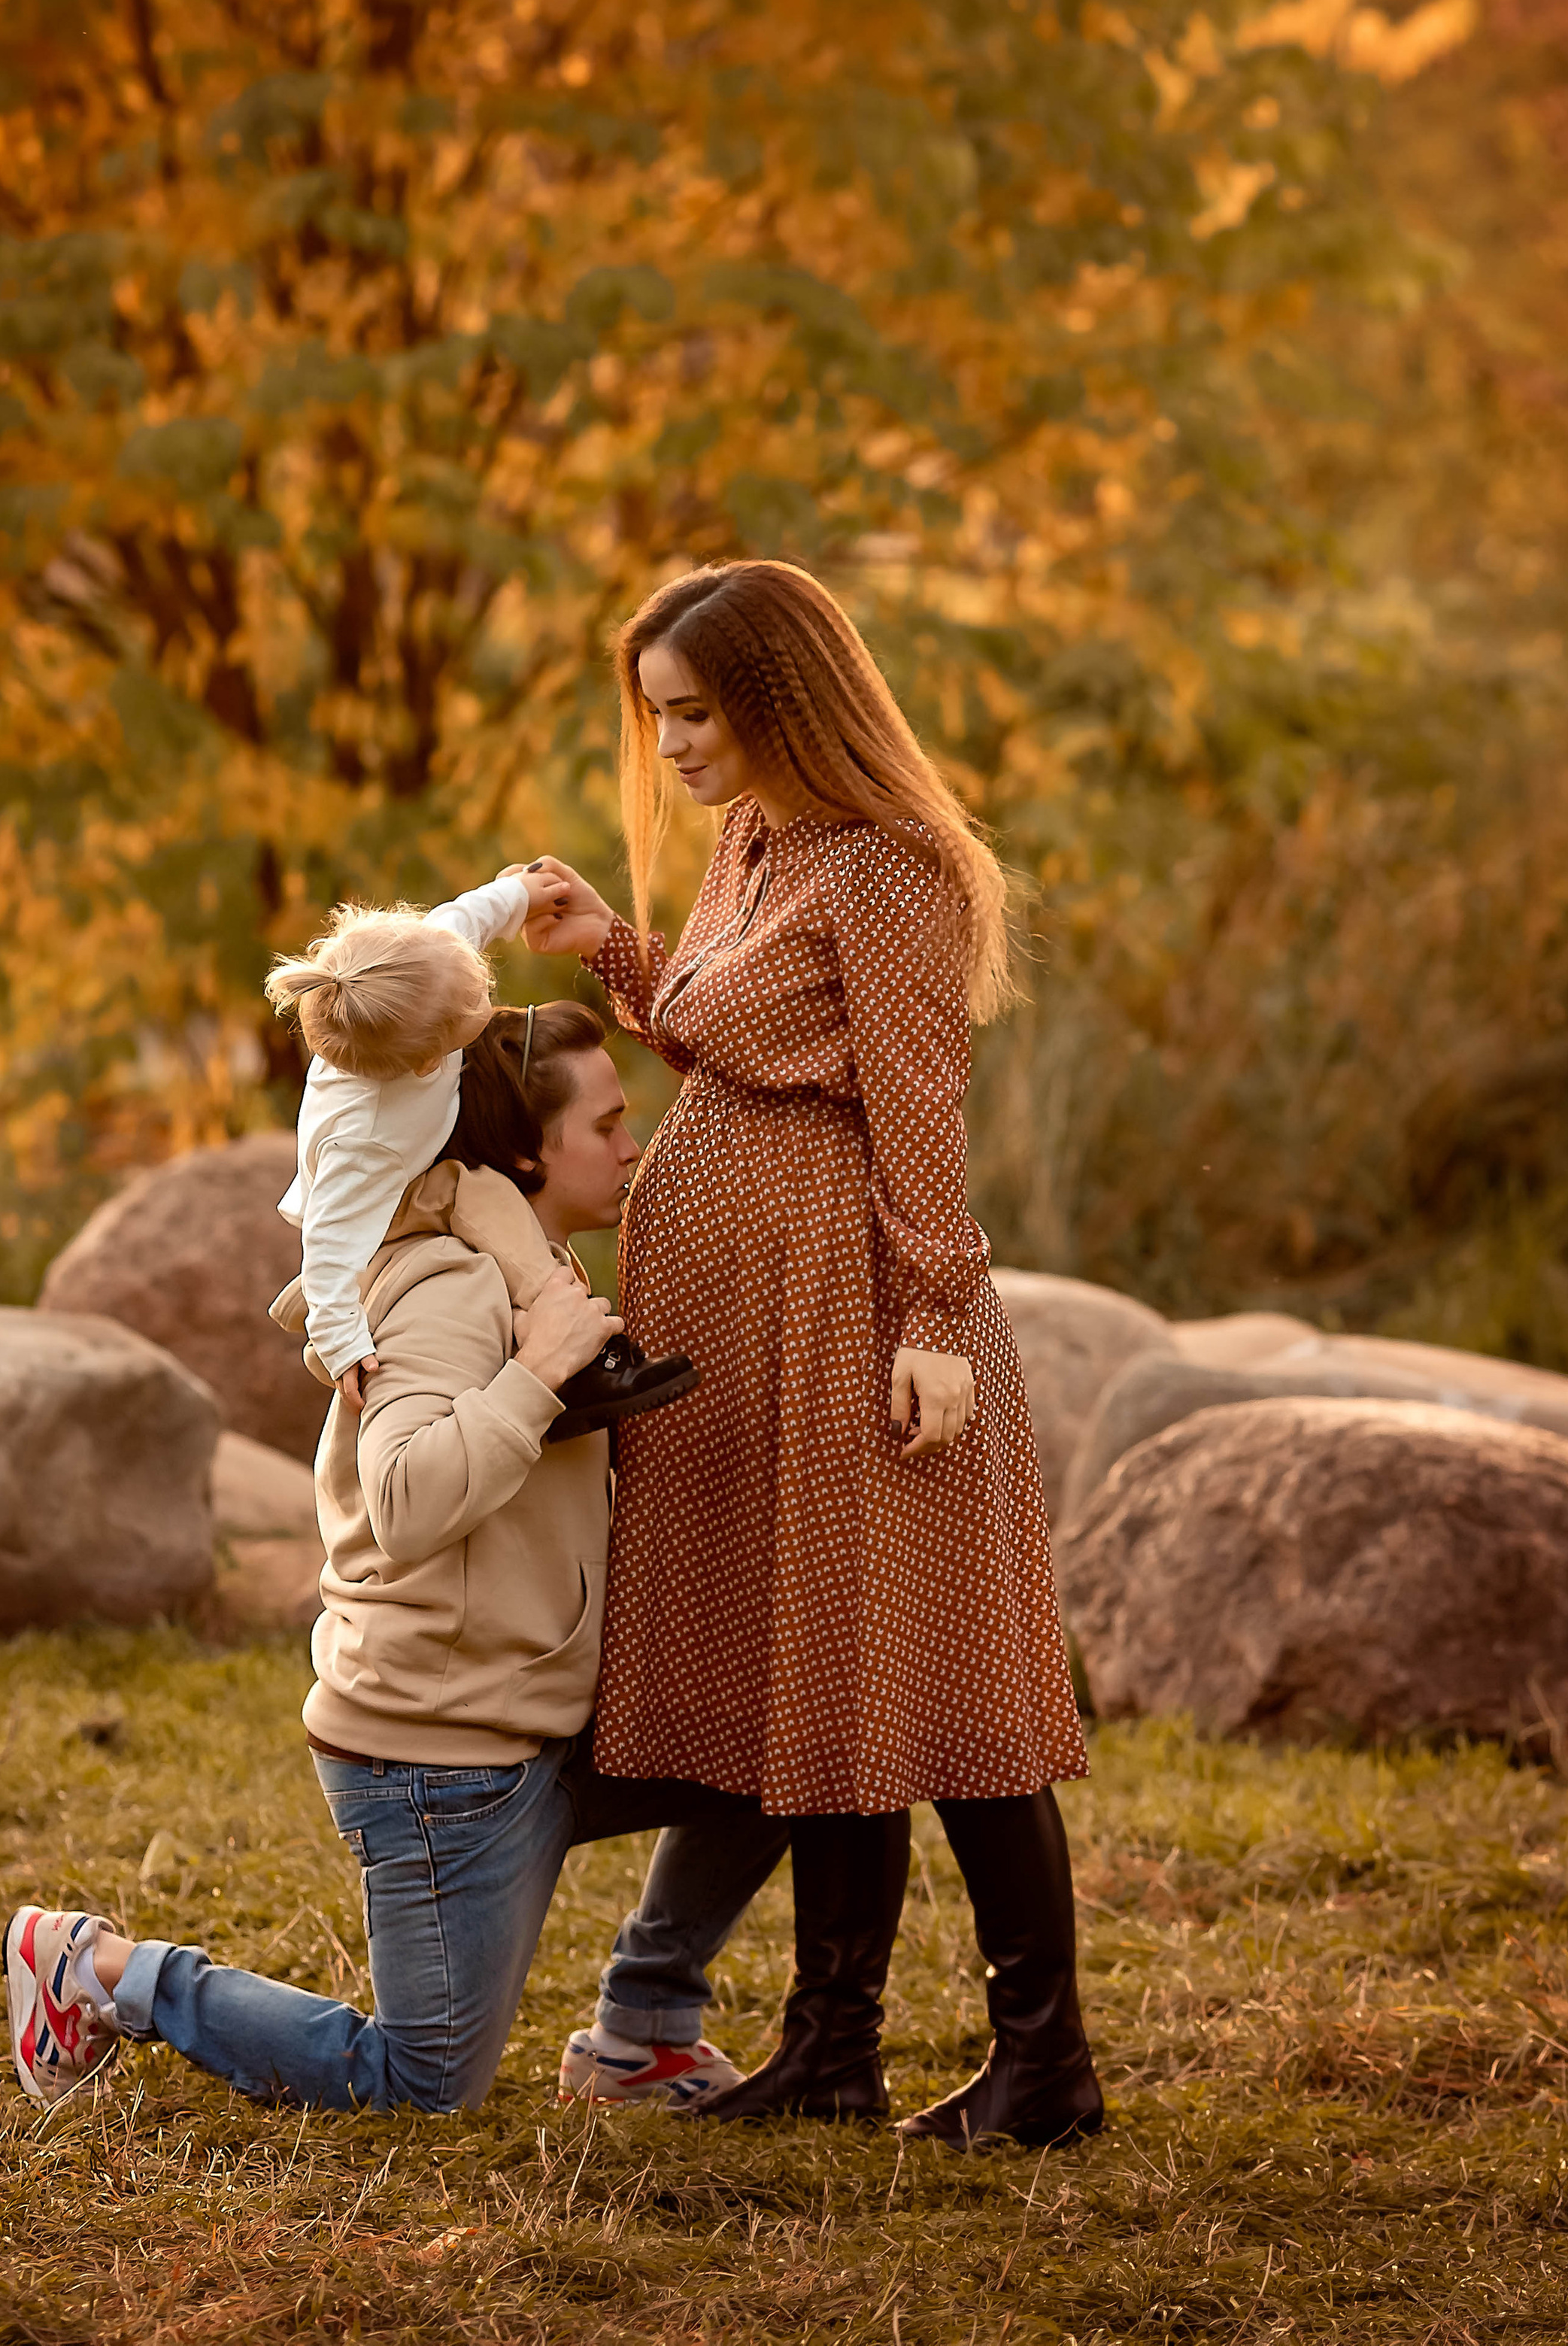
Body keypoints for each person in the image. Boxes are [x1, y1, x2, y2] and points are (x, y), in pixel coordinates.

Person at [523, 559, 1104, 2147]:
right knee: (828, 1689)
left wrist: (931, 1322)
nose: (673, 748)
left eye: (694, 714)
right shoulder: (754, 842)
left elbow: (915, 1109)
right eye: (657, 718)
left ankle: (1043, 2067)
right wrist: (610, 950)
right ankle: (830, 2053)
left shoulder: (891, 870)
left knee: (953, 1693)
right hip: (752, 1326)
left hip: (854, 1319)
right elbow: (739, 1034)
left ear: (782, 698)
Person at [1, 1002, 781, 2114]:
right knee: (422, 2083)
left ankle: (644, 2031)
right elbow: (406, 1498)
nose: (632, 1145)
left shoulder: (529, 1265)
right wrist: (538, 1375)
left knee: (786, 1742)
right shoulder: (451, 1292)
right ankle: (101, 1971)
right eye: (607, 1125)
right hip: (443, 1766)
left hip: (541, 1714)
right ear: (522, 1154)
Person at [263, 873, 693, 1440]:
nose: (487, 1005)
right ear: (426, 1063)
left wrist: (521, 896)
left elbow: (467, 916)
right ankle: (582, 1352)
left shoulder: (423, 965)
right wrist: (342, 1344)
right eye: (474, 1011)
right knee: (482, 1195)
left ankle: (537, 1346)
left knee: (484, 1219)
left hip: (412, 1158)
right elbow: (328, 1243)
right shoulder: (362, 1142)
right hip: (387, 1204)